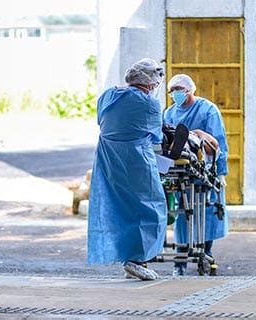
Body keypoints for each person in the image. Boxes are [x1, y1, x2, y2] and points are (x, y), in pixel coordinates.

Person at [87, 58, 167, 280]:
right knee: (150, 208)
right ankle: (137, 259)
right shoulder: (149, 104)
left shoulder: (107, 96)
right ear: (150, 82)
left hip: (108, 158)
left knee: (120, 207)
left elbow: (103, 122)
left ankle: (129, 256)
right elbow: (156, 135)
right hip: (136, 160)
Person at [163, 74, 229, 276]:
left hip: (204, 164)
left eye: (179, 89)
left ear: (190, 90)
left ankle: (205, 252)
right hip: (178, 166)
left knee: (207, 212)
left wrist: (220, 171)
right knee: (183, 215)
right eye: (173, 90)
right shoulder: (169, 113)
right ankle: (180, 262)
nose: (176, 94)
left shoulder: (208, 110)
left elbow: (219, 144)